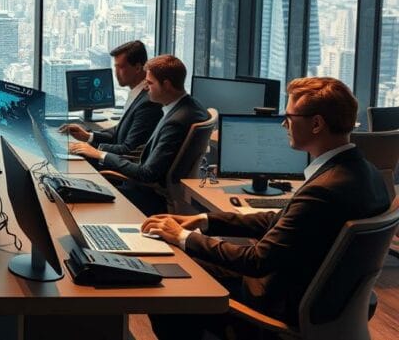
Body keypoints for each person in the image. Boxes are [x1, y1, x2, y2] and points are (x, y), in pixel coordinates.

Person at [142, 77, 392, 339]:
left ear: (317, 124)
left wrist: (182, 237)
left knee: (171, 289)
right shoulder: (365, 172)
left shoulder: (324, 189)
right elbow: (282, 220)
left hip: (276, 307)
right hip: (321, 299)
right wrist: (203, 221)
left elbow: (257, 260)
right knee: (189, 261)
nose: (283, 123)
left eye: (290, 116)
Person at [70, 54, 208, 216]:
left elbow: (147, 174)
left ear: (167, 85)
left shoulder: (176, 122)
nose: (145, 88)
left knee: (74, 197)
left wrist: (100, 154)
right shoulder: (191, 107)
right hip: (155, 192)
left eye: (150, 83)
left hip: (148, 198)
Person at [59, 40, 162, 157]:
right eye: (115, 67)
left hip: (119, 164)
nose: (116, 73)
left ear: (138, 68)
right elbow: (118, 132)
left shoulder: (148, 102)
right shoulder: (137, 94)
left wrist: (92, 148)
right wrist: (88, 136)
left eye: (120, 67)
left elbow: (129, 149)